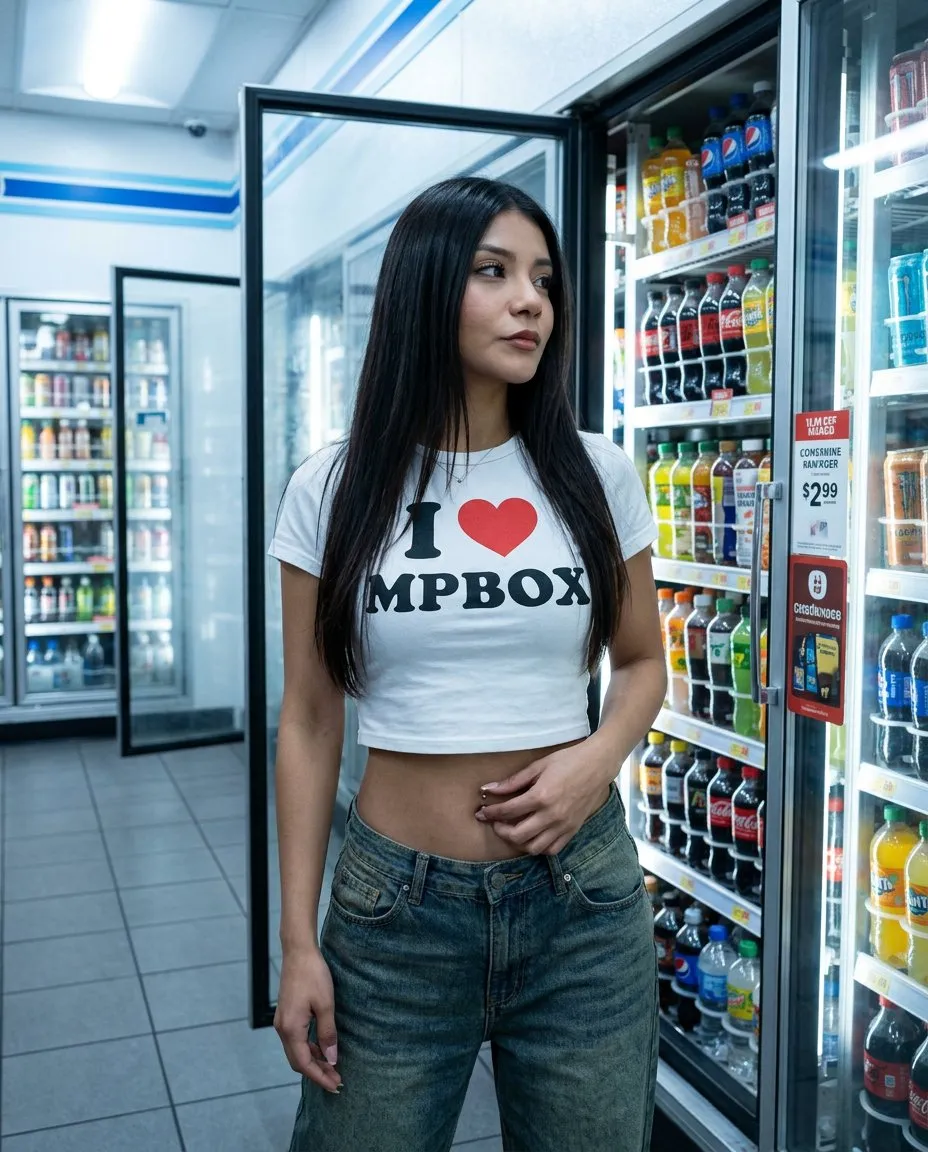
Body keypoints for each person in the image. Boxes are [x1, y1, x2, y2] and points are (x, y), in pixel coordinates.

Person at [268, 176, 665, 1152]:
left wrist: (596, 756)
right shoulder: (336, 483)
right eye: (494, 272)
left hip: (585, 904)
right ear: (423, 289)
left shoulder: (594, 472)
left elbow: (643, 661)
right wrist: (297, 943)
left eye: (542, 278)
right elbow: (311, 721)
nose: (531, 299)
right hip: (394, 914)